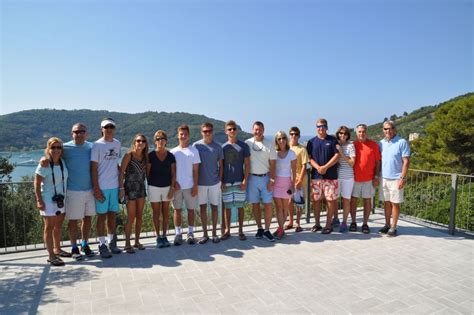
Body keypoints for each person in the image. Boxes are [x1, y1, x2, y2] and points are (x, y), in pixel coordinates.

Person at [40, 123, 96, 260]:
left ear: (86, 133)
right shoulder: (65, 147)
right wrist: (43, 159)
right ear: (72, 133)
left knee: (87, 218)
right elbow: (52, 154)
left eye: (82, 131)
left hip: (90, 190)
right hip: (72, 191)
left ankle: (85, 244)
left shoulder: (91, 147)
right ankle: (74, 247)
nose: (79, 134)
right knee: (73, 221)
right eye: (76, 131)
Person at [34, 137, 69, 266]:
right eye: (53, 147)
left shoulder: (62, 162)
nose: (56, 150)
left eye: (58, 147)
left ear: (61, 149)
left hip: (60, 199)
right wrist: (39, 200)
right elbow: (36, 182)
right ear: (48, 149)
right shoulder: (44, 163)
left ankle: (57, 249)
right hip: (48, 200)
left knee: (58, 226)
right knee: (49, 227)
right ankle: (51, 256)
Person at [91, 118, 122, 258]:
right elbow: (93, 168)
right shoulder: (97, 145)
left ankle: (112, 242)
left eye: (111, 127)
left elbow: (116, 164)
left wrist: (122, 184)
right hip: (102, 187)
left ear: (114, 129)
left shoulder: (117, 144)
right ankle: (102, 244)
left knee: (112, 216)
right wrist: (96, 188)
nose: (109, 129)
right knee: (101, 217)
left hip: (114, 186)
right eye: (106, 127)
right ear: (101, 129)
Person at [306, 118, 340, 234]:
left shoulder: (333, 140)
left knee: (330, 201)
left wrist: (325, 167)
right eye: (318, 126)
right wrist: (318, 168)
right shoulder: (311, 142)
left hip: (330, 177)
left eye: (323, 126)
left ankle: (328, 225)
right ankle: (317, 224)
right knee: (316, 201)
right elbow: (309, 158)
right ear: (316, 128)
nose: (321, 128)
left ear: (327, 127)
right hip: (316, 176)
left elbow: (337, 156)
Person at [245, 121, 277, 242]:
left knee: (268, 205)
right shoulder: (247, 143)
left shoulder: (270, 144)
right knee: (255, 205)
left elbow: (273, 164)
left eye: (260, 129)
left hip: (266, 178)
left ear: (263, 130)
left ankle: (267, 230)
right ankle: (259, 228)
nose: (257, 131)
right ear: (252, 130)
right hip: (252, 178)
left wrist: (272, 179)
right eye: (256, 129)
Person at [193, 122, 224, 244]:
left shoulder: (218, 147)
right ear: (201, 132)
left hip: (214, 183)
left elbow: (221, 165)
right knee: (202, 208)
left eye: (209, 131)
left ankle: (215, 234)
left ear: (213, 132)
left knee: (215, 208)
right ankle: (205, 234)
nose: (207, 133)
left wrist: (220, 180)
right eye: (205, 131)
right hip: (200, 183)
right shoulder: (196, 146)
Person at [379, 121, 410, 236]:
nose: (388, 131)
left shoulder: (402, 142)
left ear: (395, 129)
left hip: (396, 179)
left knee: (395, 203)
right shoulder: (381, 143)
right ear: (383, 130)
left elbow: (406, 161)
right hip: (384, 178)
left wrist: (402, 178)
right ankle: (387, 225)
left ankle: (393, 227)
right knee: (386, 203)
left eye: (390, 128)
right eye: (386, 129)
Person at [170, 124, 201, 245]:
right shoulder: (173, 152)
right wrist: (174, 183)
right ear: (178, 135)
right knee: (177, 210)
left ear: (188, 136)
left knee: (191, 210)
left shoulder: (194, 151)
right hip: (177, 187)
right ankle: (178, 234)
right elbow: (171, 171)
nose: (183, 136)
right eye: (181, 134)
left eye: (185, 134)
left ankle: (190, 233)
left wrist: (195, 186)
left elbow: (196, 171)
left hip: (190, 186)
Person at [221, 120, 250, 241]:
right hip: (227, 181)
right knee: (227, 207)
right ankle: (227, 230)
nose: (232, 131)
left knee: (240, 207)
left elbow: (248, 165)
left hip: (239, 181)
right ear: (226, 131)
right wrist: (221, 181)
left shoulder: (244, 146)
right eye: (229, 129)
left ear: (236, 130)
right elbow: (221, 166)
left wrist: (245, 181)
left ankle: (241, 230)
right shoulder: (223, 147)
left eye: (234, 129)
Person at [119, 134, 148, 253]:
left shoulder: (145, 157)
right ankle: (127, 243)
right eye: (138, 141)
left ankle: (137, 241)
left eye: (143, 141)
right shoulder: (128, 155)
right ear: (134, 143)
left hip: (141, 189)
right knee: (131, 217)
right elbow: (121, 173)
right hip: (130, 189)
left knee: (139, 217)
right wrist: (121, 189)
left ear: (145, 144)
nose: (140, 143)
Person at [147, 130, 176, 248]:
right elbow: (147, 173)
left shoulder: (171, 156)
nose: (160, 141)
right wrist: (152, 184)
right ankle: (158, 237)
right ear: (155, 142)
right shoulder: (150, 156)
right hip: (154, 187)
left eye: (162, 138)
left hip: (167, 187)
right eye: (158, 139)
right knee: (156, 213)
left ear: (166, 141)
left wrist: (172, 188)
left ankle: (164, 236)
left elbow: (174, 173)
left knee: (165, 213)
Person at [350, 124, 381, 234]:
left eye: (363, 131)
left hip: (369, 179)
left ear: (366, 132)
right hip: (354, 179)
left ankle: (365, 224)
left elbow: (378, 162)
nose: (361, 133)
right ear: (356, 133)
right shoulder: (352, 145)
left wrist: (376, 176)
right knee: (353, 201)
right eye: (359, 132)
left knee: (367, 201)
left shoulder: (374, 145)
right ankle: (353, 222)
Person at [273, 131, 296, 240]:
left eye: (283, 138)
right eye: (279, 139)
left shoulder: (291, 153)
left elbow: (294, 171)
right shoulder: (274, 153)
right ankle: (281, 228)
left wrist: (293, 185)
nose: (281, 140)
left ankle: (280, 229)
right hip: (276, 182)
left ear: (286, 139)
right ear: (276, 141)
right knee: (278, 207)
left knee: (285, 207)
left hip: (287, 182)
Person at [287, 126, 309, 233]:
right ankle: (290, 221)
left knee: (299, 202)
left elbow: (305, 166)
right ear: (289, 135)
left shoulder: (302, 149)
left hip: (299, 180)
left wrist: (299, 180)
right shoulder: (286, 148)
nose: (293, 136)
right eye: (291, 134)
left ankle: (298, 223)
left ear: (299, 136)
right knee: (289, 201)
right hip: (288, 179)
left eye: (295, 134)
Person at [335, 126, 356, 233]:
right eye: (340, 133)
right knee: (334, 199)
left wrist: (341, 152)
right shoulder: (336, 145)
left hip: (348, 177)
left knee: (346, 200)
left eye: (345, 133)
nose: (342, 135)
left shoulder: (350, 146)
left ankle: (344, 222)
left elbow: (352, 163)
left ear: (348, 135)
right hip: (336, 176)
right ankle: (335, 219)